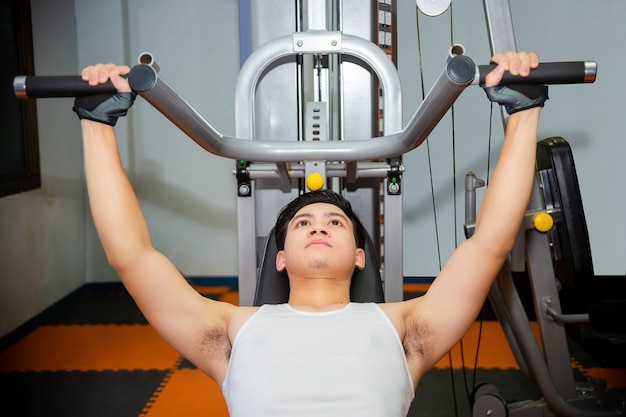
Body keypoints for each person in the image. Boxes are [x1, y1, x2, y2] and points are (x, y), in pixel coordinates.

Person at [76, 51, 546, 416]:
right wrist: (96, 125)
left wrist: (523, 115)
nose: (319, 224)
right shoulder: (228, 332)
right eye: (303, 223)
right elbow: (132, 256)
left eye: (335, 222)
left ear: (361, 257)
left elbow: (489, 244)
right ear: (279, 258)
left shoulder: (407, 330)